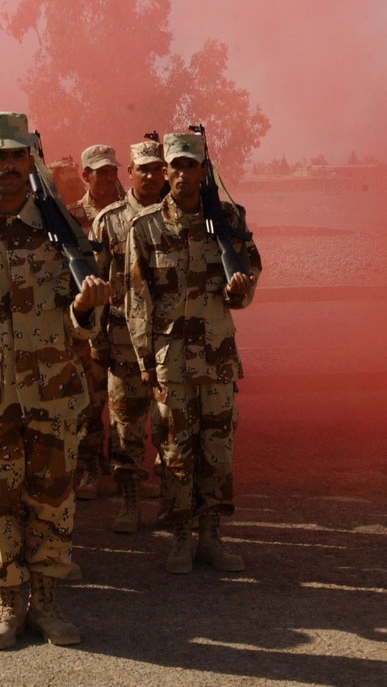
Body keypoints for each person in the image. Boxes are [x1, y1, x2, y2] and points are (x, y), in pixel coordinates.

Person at [0, 111, 110, 650]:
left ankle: (47, 600)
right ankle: (7, 603)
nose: (8, 165)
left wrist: (86, 310)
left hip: (54, 388)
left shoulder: (63, 231)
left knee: (53, 500)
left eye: (17, 155)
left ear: (29, 161)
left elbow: (84, 324)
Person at [124, 131, 260, 574]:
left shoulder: (229, 217)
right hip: (171, 361)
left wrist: (239, 291)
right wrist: (145, 361)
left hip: (217, 356)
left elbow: (249, 276)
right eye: (175, 166)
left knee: (217, 449)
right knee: (175, 450)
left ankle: (211, 536)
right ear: (166, 171)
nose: (182, 174)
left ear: (204, 171)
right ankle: (181, 537)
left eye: (190, 165)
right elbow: (137, 300)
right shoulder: (145, 227)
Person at [90, 139, 166, 532]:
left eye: (157, 169)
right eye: (143, 169)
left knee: (171, 425)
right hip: (122, 341)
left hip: (168, 340)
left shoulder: (177, 218)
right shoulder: (109, 221)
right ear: (130, 173)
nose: (150, 176)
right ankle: (130, 501)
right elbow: (94, 283)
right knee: (125, 426)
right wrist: (97, 340)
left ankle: (172, 501)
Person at [67, 145, 124, 500]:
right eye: (100, 172)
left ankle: (124, 472)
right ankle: (89, 470)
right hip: (87, 326)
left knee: (125, 403)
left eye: (112, 171)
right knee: (89, 403)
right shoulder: (70, 217)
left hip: (123, 322)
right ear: (85, 175)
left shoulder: (128, 214)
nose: (107, 178)